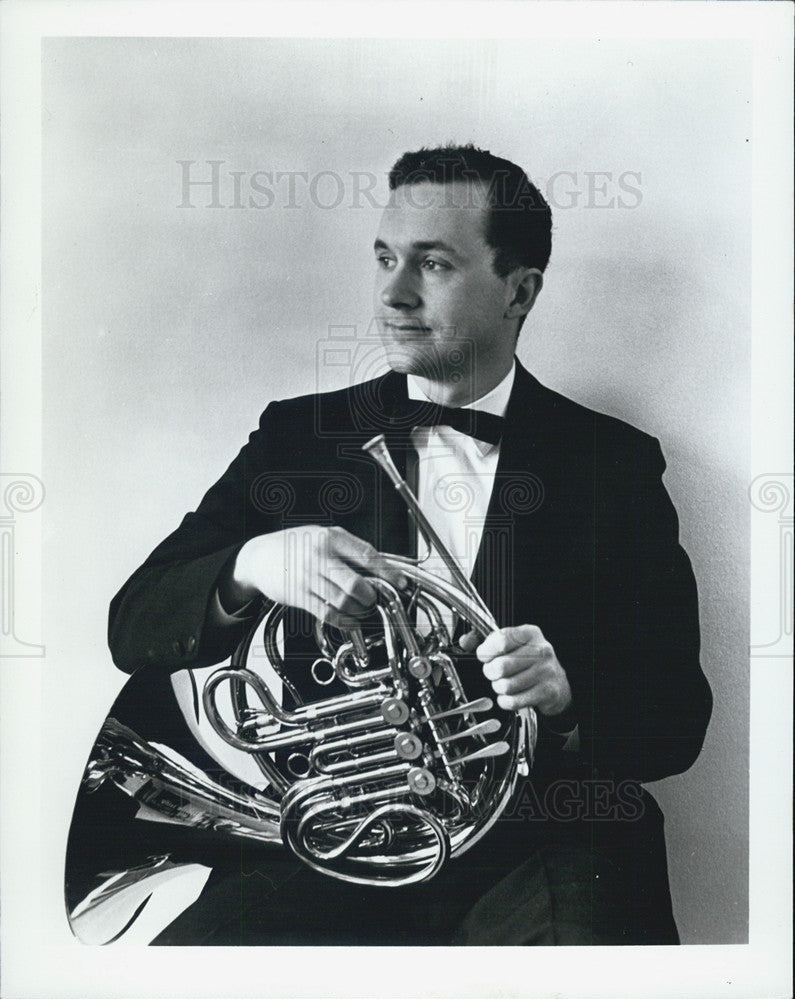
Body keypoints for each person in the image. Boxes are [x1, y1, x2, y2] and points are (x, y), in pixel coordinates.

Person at [106, 144, 712, 945]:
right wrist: (253, 563)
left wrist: (565, 701)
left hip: (542, 840)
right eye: (387, 259)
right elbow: (131, 623)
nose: (392, 294)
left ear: (518, 291)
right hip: (332, 837)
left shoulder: (610, 462)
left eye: (433, 265)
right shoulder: (299, 436)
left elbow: (677, 719)